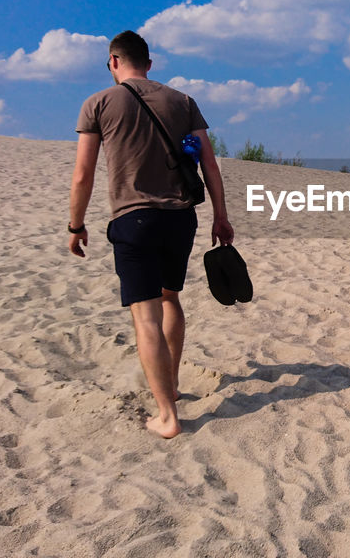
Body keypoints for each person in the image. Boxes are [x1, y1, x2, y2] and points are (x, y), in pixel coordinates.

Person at [66, 30, 234, 439]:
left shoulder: (98, 103)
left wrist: (76, 224)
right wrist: (221, 217)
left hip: (133, 218)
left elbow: (84, 174)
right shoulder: (182, 101)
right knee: (170, 298)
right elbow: (210, 165)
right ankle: (171, 385)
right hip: (181, 218)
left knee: (145, 317)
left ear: (113, 61)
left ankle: (167, 416)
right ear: (150, 63)